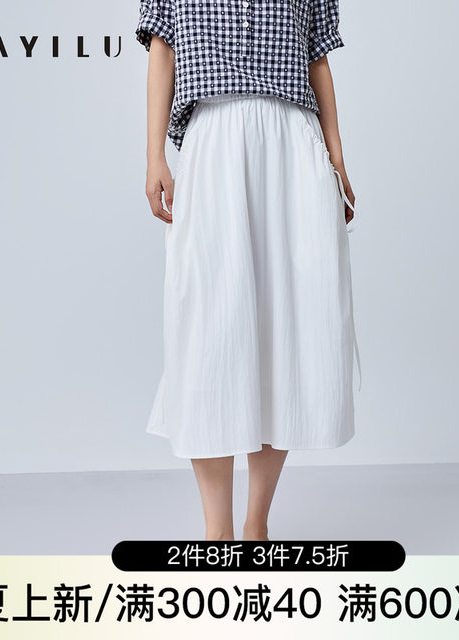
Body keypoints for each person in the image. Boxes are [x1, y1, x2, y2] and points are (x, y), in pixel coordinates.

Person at [136, 0, 361, 541]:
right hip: (212, 137)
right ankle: (217, 532)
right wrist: (153, 155)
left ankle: (256, 523)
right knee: (207, 333)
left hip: (294, 142)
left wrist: (336, 157)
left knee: (285, 325)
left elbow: (317, 59)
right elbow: (163, 48)